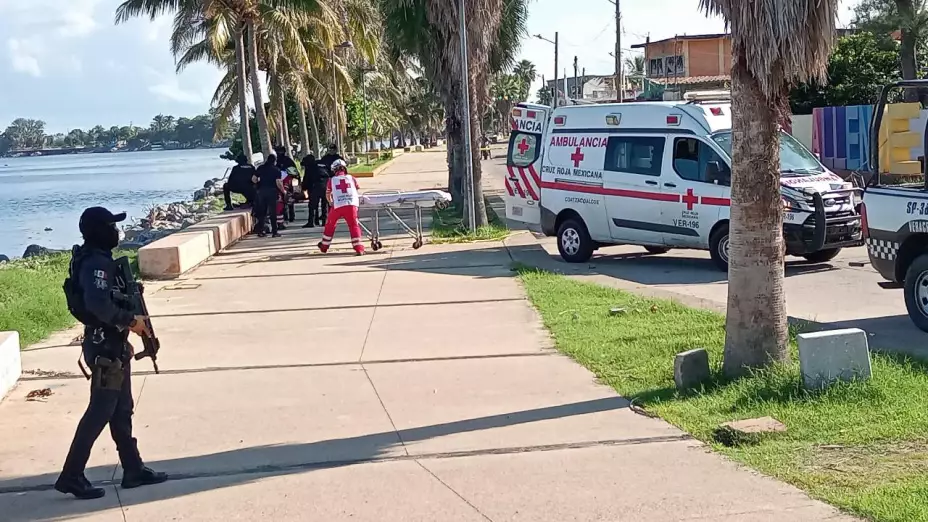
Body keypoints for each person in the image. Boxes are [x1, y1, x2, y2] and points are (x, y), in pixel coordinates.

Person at [57, 207, 168, 500]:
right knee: (100, 411)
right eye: (111, 226)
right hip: (105, 346)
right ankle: (71, 475)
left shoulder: (96, 259)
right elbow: (98, 305)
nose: (116, 231)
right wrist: (131, 321)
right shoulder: (95, 263)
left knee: (121, 409)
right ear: (99, 231)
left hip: (113, 345)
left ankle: (132, 467)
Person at [318, 159, 364, 255]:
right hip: (351, 205)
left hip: (337, 206)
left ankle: (324, 246)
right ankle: (359, 248)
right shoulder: (352, 178)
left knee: (330, 224)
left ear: (334, 170)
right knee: (354, 225)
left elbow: (328, 194)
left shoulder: (332, 180)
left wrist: (330, 202)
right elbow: (357, 189)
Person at [253, 155, 285, 238]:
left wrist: (258, 183)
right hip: (272, 192)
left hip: (261, 192)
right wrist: (283, 191)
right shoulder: (276, 170)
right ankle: (274, 232)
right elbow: (278, 183)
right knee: (272, 213)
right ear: (274, 161)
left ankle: (261, 231)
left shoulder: (260, 168)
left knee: (262, 213)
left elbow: (253, 179)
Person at [301, 153, 327, 228]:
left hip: (315, 187)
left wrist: (304, 188)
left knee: (312, 206)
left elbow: (306, 179)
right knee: (324, 205)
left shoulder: (310, 167)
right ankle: (324, 221)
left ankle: (311, 222)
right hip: (325, 185)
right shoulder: (322, 166)